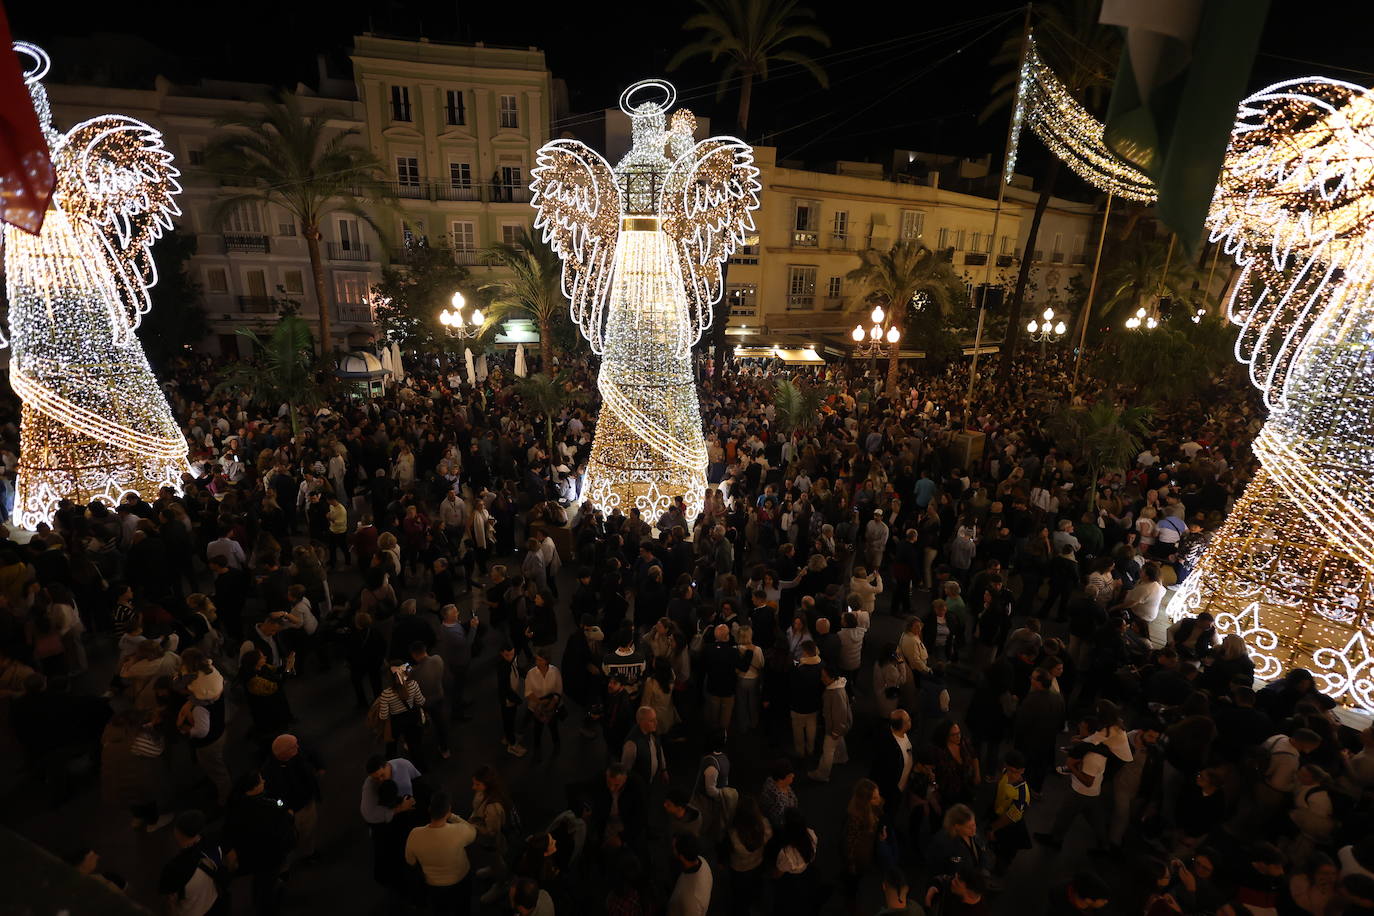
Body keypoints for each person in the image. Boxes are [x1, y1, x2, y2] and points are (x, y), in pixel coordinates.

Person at [405, 790, 478, 916]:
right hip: (461, 879)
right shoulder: (459, 831)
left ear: (429, 809)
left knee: (440, 911)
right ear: (448, 810)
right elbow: (473, 832)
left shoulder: (414, 834)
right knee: (463, 908)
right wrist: (453, 816)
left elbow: (410, 860)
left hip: (434, 885)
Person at [158, 810, 226, 916]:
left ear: (178, 832)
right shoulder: (213, 845)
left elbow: (169, 900)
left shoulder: (174, 868)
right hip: (214, 903)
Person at [841, 778, 885, 915]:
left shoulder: (871, 808)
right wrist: (851, 864)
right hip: (859, 855)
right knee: (853, 881)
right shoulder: (856, 818)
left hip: (867, 849)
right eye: (875, 798)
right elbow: (849, 844)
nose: (880, 799)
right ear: (866, 801)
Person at [986, 751, 1032, 876]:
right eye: (1008, 769)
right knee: (996, 848)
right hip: (997, 815)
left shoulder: (1022, 794)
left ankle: (998, 876)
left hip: (1009, 828)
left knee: (1004, 855)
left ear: (1022, 770)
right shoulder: (1005, 772)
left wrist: (993, 829)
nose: (1010, 774)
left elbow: (1010, 818)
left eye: (1014, 771)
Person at [726, 796, 772, 916]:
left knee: (739, 894)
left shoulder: (733, 834)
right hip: (758, 863)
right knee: (756, 886)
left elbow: (727, 850)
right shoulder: (765, 825)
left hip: (739, 869)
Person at [809, 665, 852, 783]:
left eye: (824, 676)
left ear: (832, 677)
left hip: (834, 727)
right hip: (839, 726)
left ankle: (822, 774)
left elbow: (840, 716)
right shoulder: (836, 687)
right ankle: (842, 757)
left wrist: (835, 731)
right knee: (839, 740)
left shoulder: (835, 693)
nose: (822, 678)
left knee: (827, 750)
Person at [524, 647, 563, 762]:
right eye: (537, 659)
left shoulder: (555, 671)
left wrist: (552, 703)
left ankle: (556, 743)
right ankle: (537, 747)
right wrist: (541, 703)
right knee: (537, 729)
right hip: (537, 708)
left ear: (547, 661)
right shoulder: (531, 673)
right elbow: (528, 692)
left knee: (553, 727)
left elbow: (559, 688)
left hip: (551, 706)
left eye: (540, 660)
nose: (537, 662)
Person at [668, 833, 713, 916]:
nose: (672, 849)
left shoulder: (691, 900)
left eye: (674, 848)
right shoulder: (703, 862)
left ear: (681, 857)